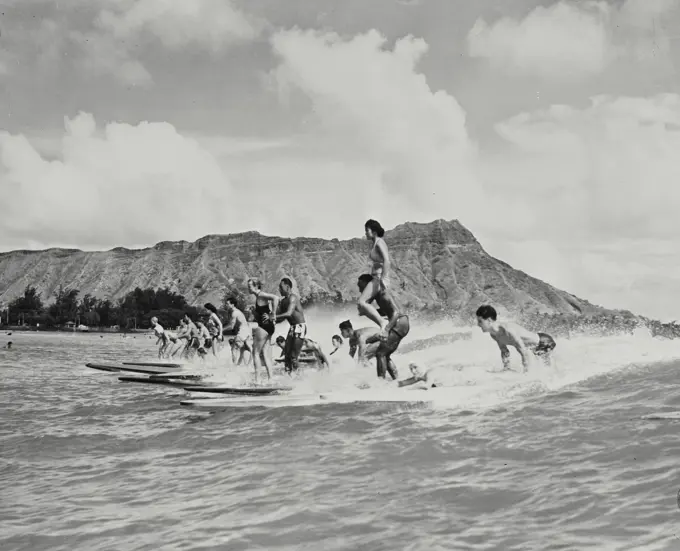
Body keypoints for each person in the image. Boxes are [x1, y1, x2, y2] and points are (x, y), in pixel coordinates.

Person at [357, 273, 410, 380]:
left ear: (368, 285)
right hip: (401, 323)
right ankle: (396, 379)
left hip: (399, 322)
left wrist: (386, 330)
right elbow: (385, 311)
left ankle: (380, 381)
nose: (360, 290)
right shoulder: (379, 296)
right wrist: (370, 312)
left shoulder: (383, 294)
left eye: (361, 286)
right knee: (385, 353)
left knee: (380, 353)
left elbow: (396, 313)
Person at [475, 305, 557, 373]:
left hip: (544, 342)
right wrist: (506, 368)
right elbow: (504, 351)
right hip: (534, 349)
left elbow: (523, 352)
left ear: (489, 320)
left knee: (550, 371)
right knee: (545, 370)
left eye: (480, 321)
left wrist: (526, 373)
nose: (478, 325)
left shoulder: (508, 330)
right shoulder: (494, 335)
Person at [357, 219, 391, 330]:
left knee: (361, 302)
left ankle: (383, 323)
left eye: (367, 230)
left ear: (374, 231)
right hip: (375, 277)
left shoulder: (379, 242)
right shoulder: (375, 243)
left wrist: (383, 279)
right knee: (362, 309)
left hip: (378, 279)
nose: (365, 233)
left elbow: (387, 260)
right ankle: (384, 320)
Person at [247, 278, 280, 380]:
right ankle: (271, 379)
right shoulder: (259, 297)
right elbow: (259, 316)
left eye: (250, 286)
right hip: (269, 326)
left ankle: (257, 380)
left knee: (255, 353)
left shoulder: (261, 295)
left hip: (264, 326)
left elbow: (275, 298)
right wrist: (254, 312)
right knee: (265, 354)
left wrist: (273, 314)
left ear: (256, 286)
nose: (248, 288)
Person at [274, 277, 307, 374]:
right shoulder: (283, 301)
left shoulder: (293, 297)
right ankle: (288, 376)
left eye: (281, 287)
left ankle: (297, 376)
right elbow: (280, 318)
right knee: (287, 355)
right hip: (292, 328)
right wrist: (272, 319)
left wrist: (274, 317)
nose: (279, 289)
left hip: (300, 327)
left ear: (288, 287)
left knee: (293, 356)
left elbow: (288, 313)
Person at [223, 297, 252, 365]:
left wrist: (221, 330)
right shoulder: (238, 312)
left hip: (243, 331)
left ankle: (234, 366)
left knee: (234, 348)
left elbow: (231, 326)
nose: (226, 305)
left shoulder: (235, 313)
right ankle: (244, 366)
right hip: (247, 331)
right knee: (242, 349)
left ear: (232, 304)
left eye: (227, 304)